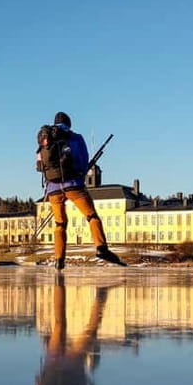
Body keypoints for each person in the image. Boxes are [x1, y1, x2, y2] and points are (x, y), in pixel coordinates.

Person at [36, 111, 124, 270]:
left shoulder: (45, 140)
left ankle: (59, 260)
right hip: (73, 185)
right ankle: (101, 248)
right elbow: (82, 161)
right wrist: (82, 172)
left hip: (53, 189)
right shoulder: (75, 138)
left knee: (60, 224)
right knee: (91, 216)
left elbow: (41, 166)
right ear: (69, 124)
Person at [35, 277, 110, 385]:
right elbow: (40, 384)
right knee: (62, 325)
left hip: (64, 363)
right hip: (63, 363)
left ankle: (100, 295)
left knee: (74, 328)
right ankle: (99, 295)